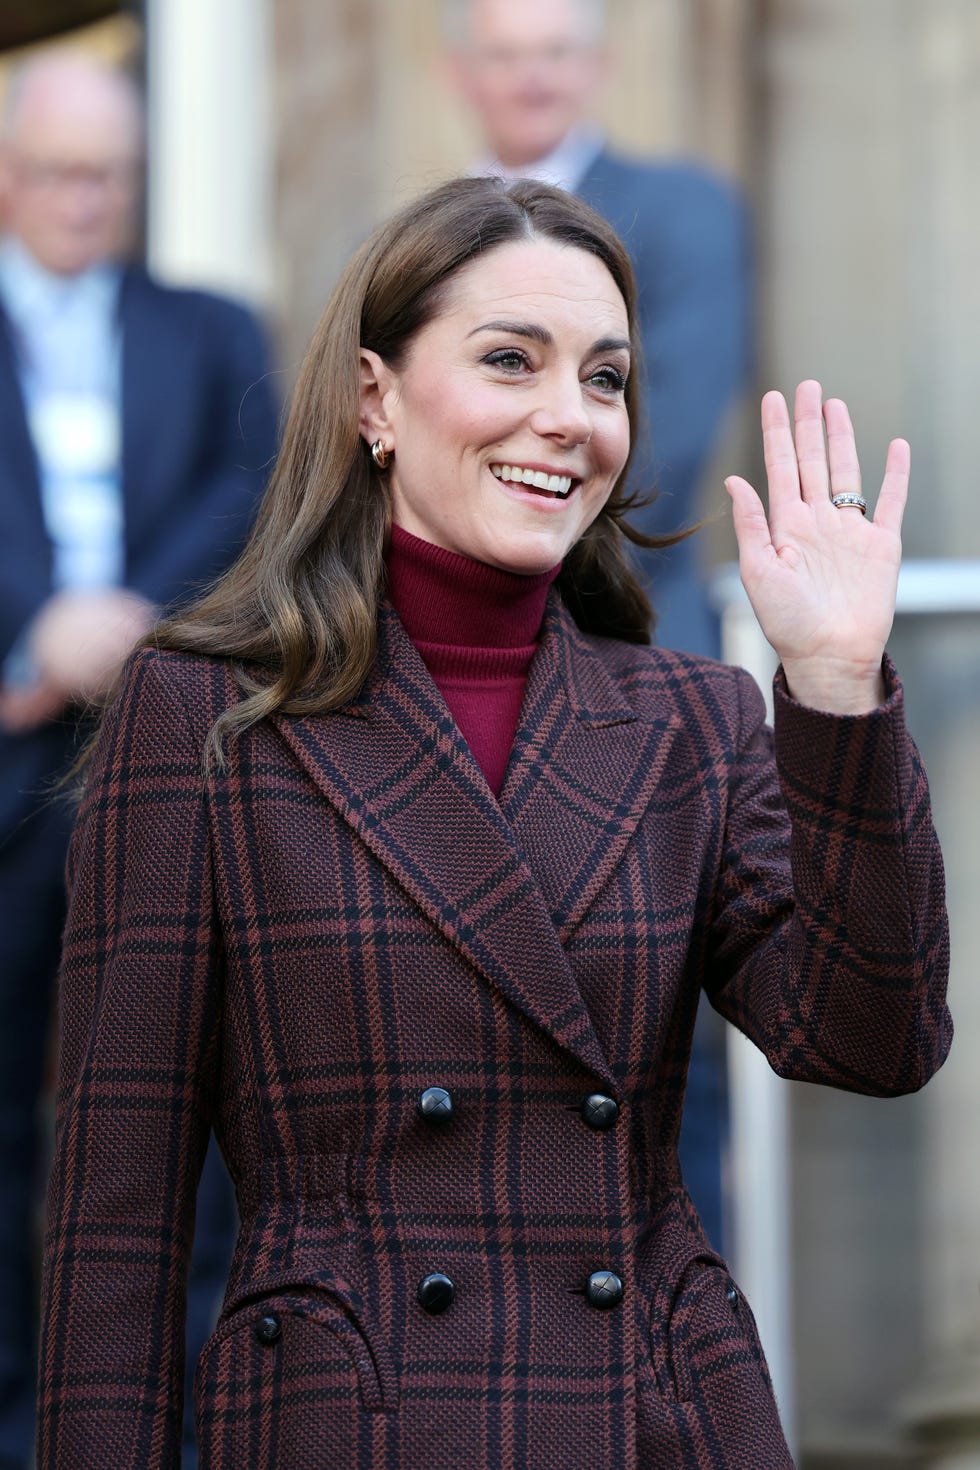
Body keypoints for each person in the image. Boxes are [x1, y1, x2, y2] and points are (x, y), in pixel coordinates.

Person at [37, 177, 950, 1469]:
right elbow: (118, 1208)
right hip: (349, 1420)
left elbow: (872, 1038)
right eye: (509, 360)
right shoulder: (204, 711)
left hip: (657, 1415)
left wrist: (839, 687)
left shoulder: (692, 714)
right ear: (375, 399)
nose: (565, 418)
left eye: (606, 377)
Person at [0, 52, 278, 1469]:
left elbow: (254, 490)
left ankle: (190, 1407)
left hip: (174, 759)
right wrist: (33, 638)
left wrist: (121, 628)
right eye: (56, 171)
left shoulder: (217, 330)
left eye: (106, 173)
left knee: (197, 1094)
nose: (83, 199)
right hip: (7, 756)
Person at [445, 0, 753, 1253]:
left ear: (599, 66)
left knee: (660, 1047)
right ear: (460, 74)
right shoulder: (416, 239)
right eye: (505, 53)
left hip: (631, 659)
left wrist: (488, 529)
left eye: (554, 50)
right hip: (444, 677)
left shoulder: (677, 213)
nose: (530, 77)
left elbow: (661, 441)